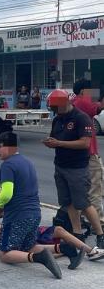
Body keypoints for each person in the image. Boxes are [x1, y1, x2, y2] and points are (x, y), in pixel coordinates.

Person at [0, 131, 61, 278]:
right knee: (29, 246)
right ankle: (65, 248)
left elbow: (7, 192)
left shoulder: (7, 165)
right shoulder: (27, 161)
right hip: (34, 214)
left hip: (17, 216)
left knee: (4, 254)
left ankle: (39, 258)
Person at [43, 89, 104, 249]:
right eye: (53, 108)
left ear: (66, 103)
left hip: (77, 167)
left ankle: (100, 235)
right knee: (67, 202)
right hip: (60, 165)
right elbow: (55, 138)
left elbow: (85, 143)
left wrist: (59, 143)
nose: (55, 111)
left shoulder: (81, 118)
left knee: (83, 203)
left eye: (56, 108)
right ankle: (77, 234)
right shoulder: (57, 120)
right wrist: (51, 142)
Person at [0, 223, 104, 269]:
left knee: (58, 230)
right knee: (41, 250)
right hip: (21, 242)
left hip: (26, 229)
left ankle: (90, 251)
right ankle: (66, 250)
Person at [72, 79, 104, 229]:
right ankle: (99, 222)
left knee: (84, 188)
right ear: (84, 91)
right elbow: (98, 108)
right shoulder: (83, 101)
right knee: (95, 188)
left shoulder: (74, 101)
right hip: (89, 152)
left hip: (78, 154)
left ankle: (86, 218)